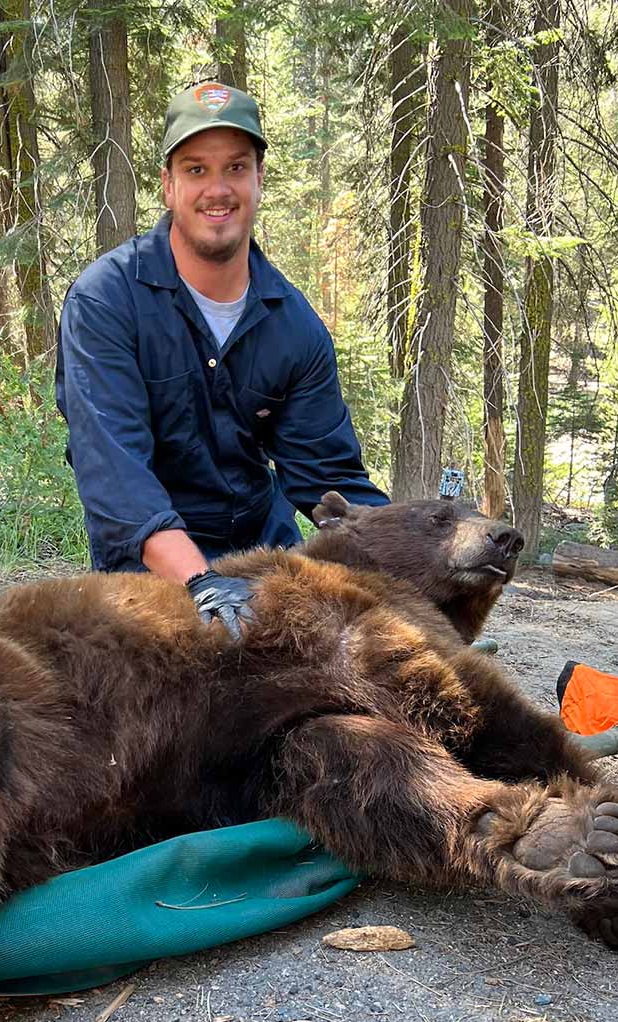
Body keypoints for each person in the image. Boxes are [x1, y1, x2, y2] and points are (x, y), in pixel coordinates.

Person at [55, 81, 388, 636]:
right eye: (196, 169)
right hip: (150, 569)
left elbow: (327, 476)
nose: (218, 189)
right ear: (167, 186)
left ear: (259, 180)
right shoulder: (107, 301)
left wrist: (419, 544)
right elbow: (115, 477)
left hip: (264, 552)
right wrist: (202, 582)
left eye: (235, 168)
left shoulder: (293, 324)